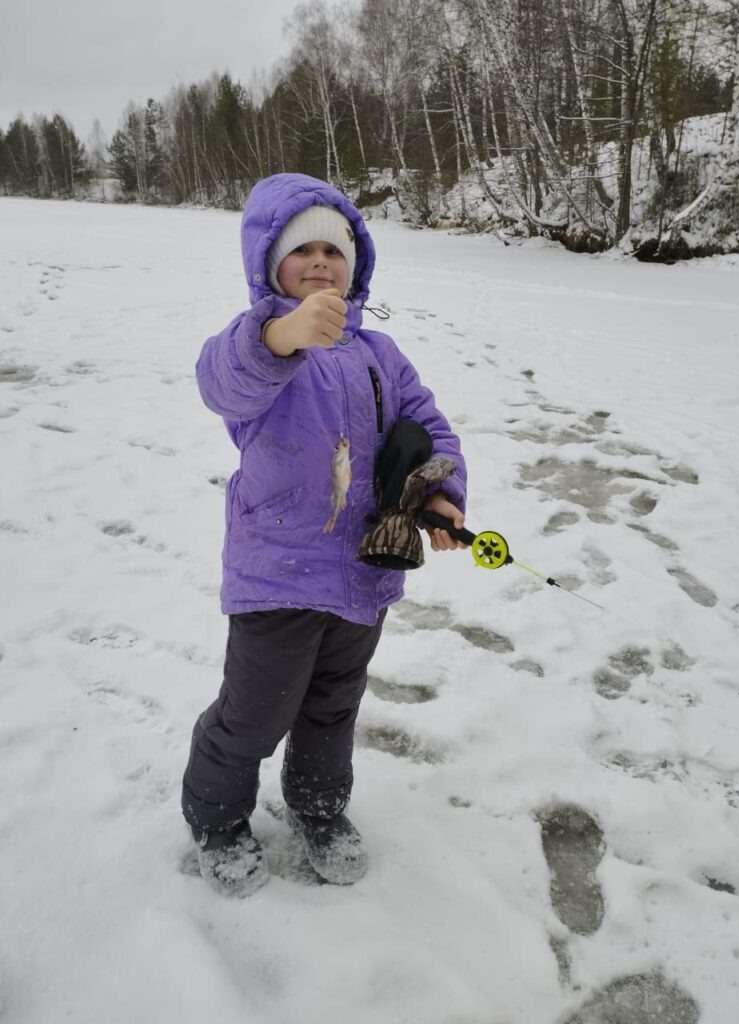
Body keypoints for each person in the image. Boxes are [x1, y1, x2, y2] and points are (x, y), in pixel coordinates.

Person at [182, 173, 467, 897]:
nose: (319, 262)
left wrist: (441, 491)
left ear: (355, 265)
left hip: (364, 573)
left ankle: (318, 809)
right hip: (277, 574)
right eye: (301, 250)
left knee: (333, 709)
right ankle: (218, 819)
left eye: (333, 250)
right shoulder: (258, 346)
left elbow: (429, 427)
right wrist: (282, 335)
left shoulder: (380, 354)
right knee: (255, 715)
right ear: (268, 265)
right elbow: (221, 383)